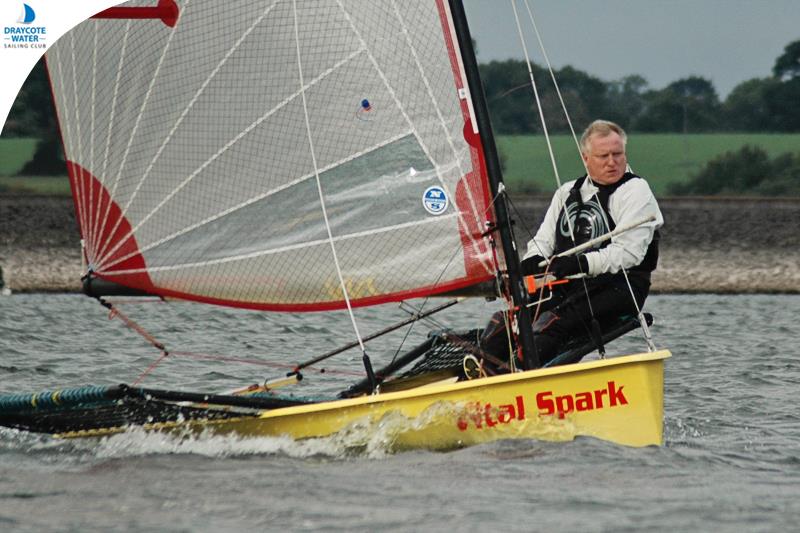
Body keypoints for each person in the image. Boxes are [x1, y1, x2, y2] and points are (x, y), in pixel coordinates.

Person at [481, 119, 663, 368]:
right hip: (570, 285)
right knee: (500, 326)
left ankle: (521, 376)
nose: (612, 162)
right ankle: (482, 373)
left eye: (617, 154)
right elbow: (543, 241)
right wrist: (531, 262)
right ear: (585, 157)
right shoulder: (566, 192)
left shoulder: (636, 190)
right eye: (603, 156)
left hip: (620, 287)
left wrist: (581, 263)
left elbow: (629, 253)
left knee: (551, 324)